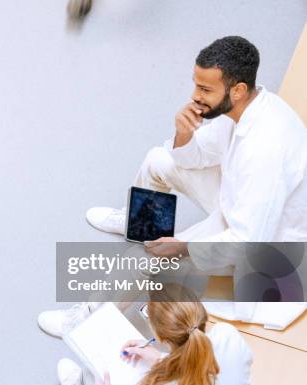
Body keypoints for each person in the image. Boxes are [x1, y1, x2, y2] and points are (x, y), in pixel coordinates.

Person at [38, 35, 307, 337]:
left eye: (205, 89)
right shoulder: (242, 109)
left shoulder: (266, 146)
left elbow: (249, 239)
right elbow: (200, 155)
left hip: (269, 247)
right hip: (241, 203)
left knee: (145, 259)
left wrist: (181, 247)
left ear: (238, 89)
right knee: (158, 160)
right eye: (195, 84)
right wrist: (183, 134)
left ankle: (83, 323)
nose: (195, 96)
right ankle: (139, 225)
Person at [57, 298, 253, 385]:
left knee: (94, 377)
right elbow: (197, 366)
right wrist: (161, 360)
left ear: (161, 339)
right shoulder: (229, 336)